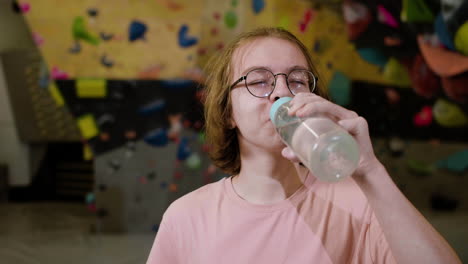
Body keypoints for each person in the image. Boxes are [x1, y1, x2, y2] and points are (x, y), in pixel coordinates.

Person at [147, 27, 461, 263]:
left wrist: (372, 174)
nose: (282, 93)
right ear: (228, 112)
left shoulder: (360, 201)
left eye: (297, 80)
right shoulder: (186, 217)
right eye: (259, 81)